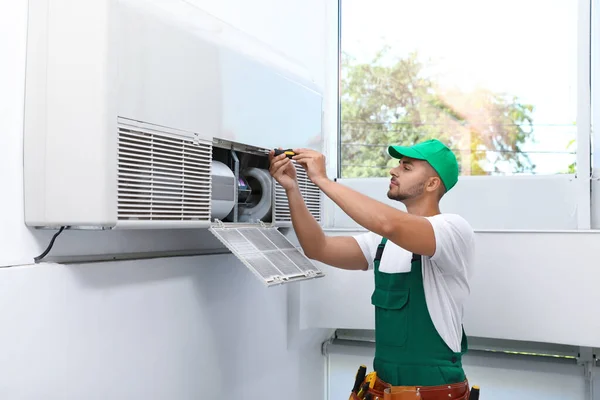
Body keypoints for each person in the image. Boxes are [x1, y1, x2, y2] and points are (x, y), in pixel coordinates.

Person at [269, 139, 475, 400]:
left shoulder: (452, 231)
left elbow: (389, 224)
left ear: (432, 183)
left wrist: (322, 180)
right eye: (398, 165)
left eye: (407, 167)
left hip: (434, 392)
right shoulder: (381, 243)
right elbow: (318, 247)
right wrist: (292, 190)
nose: (394, 171)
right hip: (384, 390)